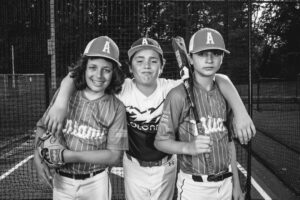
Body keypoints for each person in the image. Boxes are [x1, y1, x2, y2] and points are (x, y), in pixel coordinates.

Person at [43, 37, 255, 200]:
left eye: (153, 61)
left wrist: (240, 110)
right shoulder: (121, 88)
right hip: (134, 166)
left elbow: (219, 77)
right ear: (129, 67)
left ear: (161, 67)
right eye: (140, 60)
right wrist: (61, 102)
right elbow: (75, 75)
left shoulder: (173, 88)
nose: (146, 66)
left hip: (167, 165)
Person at [154, 28, 246, 200]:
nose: (210, 59)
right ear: (190, 58)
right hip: (194, 187)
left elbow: (229, 142)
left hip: (225, 184)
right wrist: (188, 147)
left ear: (222, 58)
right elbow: (160, 142)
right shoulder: (177, 95)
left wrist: (236, 185)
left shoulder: (226, 94)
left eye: (216, 53)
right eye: (202, 54)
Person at [34, 36, 128, 200]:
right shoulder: (66, 95)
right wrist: (37, 157)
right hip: (62, 180)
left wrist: (68, 155)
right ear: (84, 68)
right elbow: (42, 127)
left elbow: (114, 156)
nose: (98, 75)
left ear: (114, 74)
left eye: (106, 70)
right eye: (92, 67)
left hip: (96, 180)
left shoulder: (117, 107)